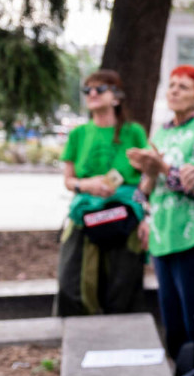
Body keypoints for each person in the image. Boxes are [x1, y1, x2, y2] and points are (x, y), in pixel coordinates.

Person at [127, 66, 194, 359]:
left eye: (183, 86)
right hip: (162, 235)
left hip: (193, 235)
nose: (174, 91)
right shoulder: (163, 130)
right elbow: (147, 188)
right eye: (171, 86)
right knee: (173, 320)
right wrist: (147, 177)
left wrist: (161, 167)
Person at [56, 70, 149, 317]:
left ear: (116, 98)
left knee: (122, 288)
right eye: (88, 90)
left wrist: (146, 216)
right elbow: (68, 180)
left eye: (99, 89)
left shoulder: (133, 132)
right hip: (85, 214)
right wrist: (88, 185)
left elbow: (146, 179)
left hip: (124, 215)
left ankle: (122, 345)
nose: (92, 94)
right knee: (72, 284)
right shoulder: (78, 134)